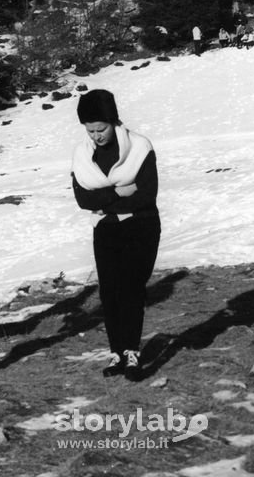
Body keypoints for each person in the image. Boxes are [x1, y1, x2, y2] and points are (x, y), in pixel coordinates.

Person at [71, 89, 160, 382]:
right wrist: (120, 191)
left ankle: (132, 352)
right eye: (90, 130)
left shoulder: (140, 147)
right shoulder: (82, 156)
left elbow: (146, 195)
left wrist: (104, 199)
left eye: (101, 129)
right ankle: (116, 352)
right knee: (109, 291)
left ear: (114, 121)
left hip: (141, 226)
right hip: (106, 229)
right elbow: (83, 199)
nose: (96, 136)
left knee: (132, 287)